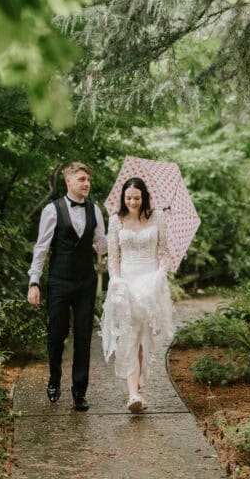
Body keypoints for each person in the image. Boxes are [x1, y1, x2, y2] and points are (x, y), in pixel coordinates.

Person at [27, 162, 107, 411]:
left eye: (88, 180)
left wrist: (115, 231)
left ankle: (79, 392)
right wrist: (34, 281)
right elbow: (41, 248)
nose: (86, 184)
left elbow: (102, 248)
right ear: (69, 181)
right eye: (82, 179)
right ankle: (54, 379)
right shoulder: (52, 210)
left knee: (84, 336)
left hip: (86, 281)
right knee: (56, 334)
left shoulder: (96, 210)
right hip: (59, 281)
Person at [100, 176, 174, 413]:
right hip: (127, 282)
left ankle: (138, 388)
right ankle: (133, 393)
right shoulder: (116, 220)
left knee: (144, 339)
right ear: (123, 198)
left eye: (137, 198)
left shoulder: (157, 217)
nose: (132, 201)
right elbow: (113, 258)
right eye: (128, 198)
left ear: (144, 197)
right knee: (130, 336)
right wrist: (117, 280)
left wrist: (160, 274)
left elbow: (164, 252)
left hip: (151, 280)